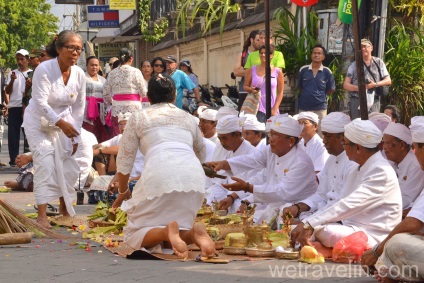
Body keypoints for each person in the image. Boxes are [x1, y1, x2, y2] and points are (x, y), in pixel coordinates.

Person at [111, 74, 215, 259]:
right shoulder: (188, 118)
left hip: (160, 176)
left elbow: (125, 160)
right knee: (175, 230)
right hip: (193, 179)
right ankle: (191, 234)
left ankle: (166, 232)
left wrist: (122, 190)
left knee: (133, 236)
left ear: (148, 98)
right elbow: (201, 153)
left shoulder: (138, 117)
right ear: (174, 96)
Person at [291, 119, 402, 254]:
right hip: (351, 227)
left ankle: (324, 248)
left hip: (374, 235)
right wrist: (309, 222)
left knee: (325, 231)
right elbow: (339, 201)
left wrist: (310, 224)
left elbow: (347, 204)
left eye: (346, 144)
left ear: (358, 148)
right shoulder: (358, 168)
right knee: (309, 227)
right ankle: (324, 248)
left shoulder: (380, 171)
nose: (344, 147)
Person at [22, 30, 86, 228]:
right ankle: (42, 214)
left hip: (64, 123)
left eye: (79, 49)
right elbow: (40, 102)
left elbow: (79, 107)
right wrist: (60, 123)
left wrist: (74, 135)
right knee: (45, 160)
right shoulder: (44, 69)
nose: (75, 53)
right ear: (59, 48)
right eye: (71, 48)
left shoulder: (79, 74)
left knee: (67, 163)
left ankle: (64, 206)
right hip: (37, 121)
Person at [209, 116, 317, 223]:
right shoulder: (271, 152)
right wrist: (224, 164)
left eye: (276, 135)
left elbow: (281, 192)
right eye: (271, 134)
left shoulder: (301, 162)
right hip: (274, 207)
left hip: (296, 211)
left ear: (291, 141)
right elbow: (253, 162)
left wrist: (247, 187)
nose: (271, 139)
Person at [361, 116, 424, 283]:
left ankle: (392, 273)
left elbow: (412, 221)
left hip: (402, 217)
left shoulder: (415, 166)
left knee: (395, 243)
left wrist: (377, 251)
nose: (414, 153)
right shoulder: (392, 164)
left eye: (416, 148)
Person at [282, 112, 354, 222]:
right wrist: (297, 207)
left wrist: (309, 223)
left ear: (343, 137)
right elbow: (321, 195)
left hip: (341, 220)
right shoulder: (331, 160)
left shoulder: (353, 164)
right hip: (323, 213)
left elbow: (341, 206)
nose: (324, 141)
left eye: (328, 136)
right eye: (324, 135)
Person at [204, 115, 255, 210]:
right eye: (219, 139)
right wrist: (210, 202)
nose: (222, 143)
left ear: (236, 135)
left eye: (224, 138)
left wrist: (232, 197)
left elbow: (256, 183)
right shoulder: (229, 154)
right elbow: (222, 183)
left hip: (247, 201)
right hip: (229, 201)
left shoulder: (254, 154)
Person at [382, 122, 424, 217]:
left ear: (401, 145)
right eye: (383, 142)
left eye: (388, 143)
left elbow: (405, 199)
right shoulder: (392, 162)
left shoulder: (416, 165)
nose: (384, 147)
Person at [343, 39, 391, 119]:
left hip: (374, 100)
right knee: (357, 125)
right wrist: (359, 88)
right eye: (361, 47)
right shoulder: (354, 65)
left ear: (371, 48)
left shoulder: (379, 62)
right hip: (357, 99)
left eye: (365, 46)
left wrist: (374, 84)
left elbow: (388, 80)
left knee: (374, 125)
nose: (363, 49)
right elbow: (346, 85)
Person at [103, 48, 146, 137]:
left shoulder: (112, 73)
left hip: (117, 107)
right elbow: (143, 92)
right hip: (134, 106)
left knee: (118, 134)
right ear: (131, 59)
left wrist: (113, 101)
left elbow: (106, 93)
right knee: (134, 134)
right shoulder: (136, 71)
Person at [5, 49, 32, 166]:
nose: (20, 62)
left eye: (22, 59)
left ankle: (27, 158)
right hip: (14, 107)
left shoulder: (32, 73)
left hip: (27, 108)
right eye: (18, 59)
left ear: (28, 60)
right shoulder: (13, 73)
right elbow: (7, 91)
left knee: (28, 134)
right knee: (13, 135)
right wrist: (12, 80)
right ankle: (13, 160)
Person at [243, 45, 284, 122]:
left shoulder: (277, 71)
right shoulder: (252, 69)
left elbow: (280, 91)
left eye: (266, 53)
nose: (263, 55)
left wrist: (275, 108)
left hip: (272, 108)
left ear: (272, 55)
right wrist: (251, 89)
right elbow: (245, 86)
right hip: (256, 108)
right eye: (261, 53)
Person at [298, 44, 336, 125]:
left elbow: (331, 89)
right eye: (314, 53)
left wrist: (320, 95)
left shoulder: (327, 72)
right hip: (304, 107)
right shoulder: (303, 70)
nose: (316, 55)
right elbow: (300, 87)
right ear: (311, 55)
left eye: (319, 53)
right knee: (303, 131)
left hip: (320, 108)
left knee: (320, 133)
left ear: (323, 57)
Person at [83, 56, 109, 143]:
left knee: (100, 132)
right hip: (86, 108)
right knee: (88, 131)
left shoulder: (103, 79)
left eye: (96, 65)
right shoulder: (82, 78)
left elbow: (106, 94)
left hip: (100, 109)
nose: (94, 67)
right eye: (92, 65)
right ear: (87, 66)